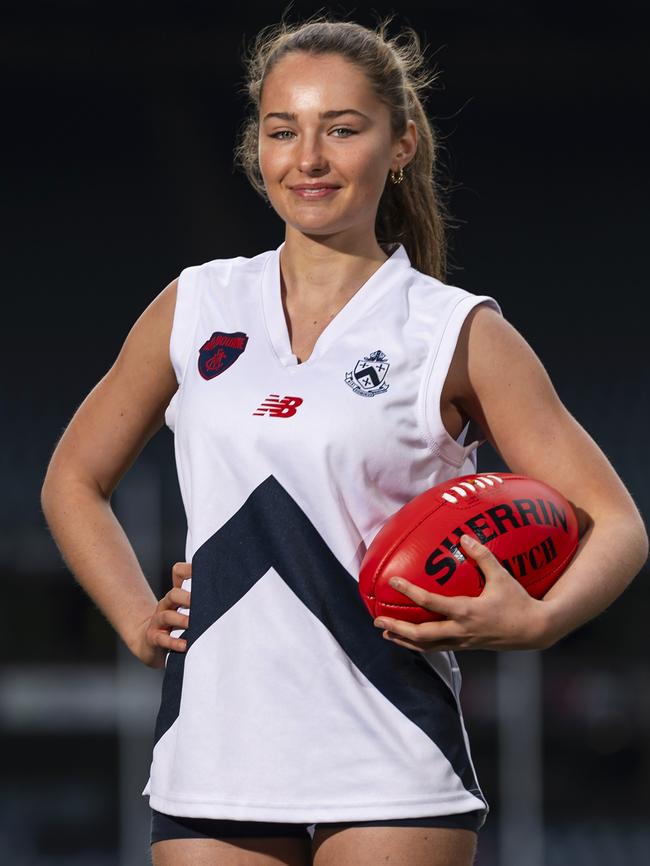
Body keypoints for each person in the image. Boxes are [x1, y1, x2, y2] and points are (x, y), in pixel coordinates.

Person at [40, 12, 648, 866]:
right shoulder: (195, 305)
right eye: (283, 130)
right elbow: (73, 479)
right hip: (216, 753)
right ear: (258, 147)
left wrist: (537, 620)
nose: (309, 158)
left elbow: (615, 521)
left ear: (399, 144)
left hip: (391, 754)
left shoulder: (452, 329)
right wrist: (138, 617)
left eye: (343, 129)